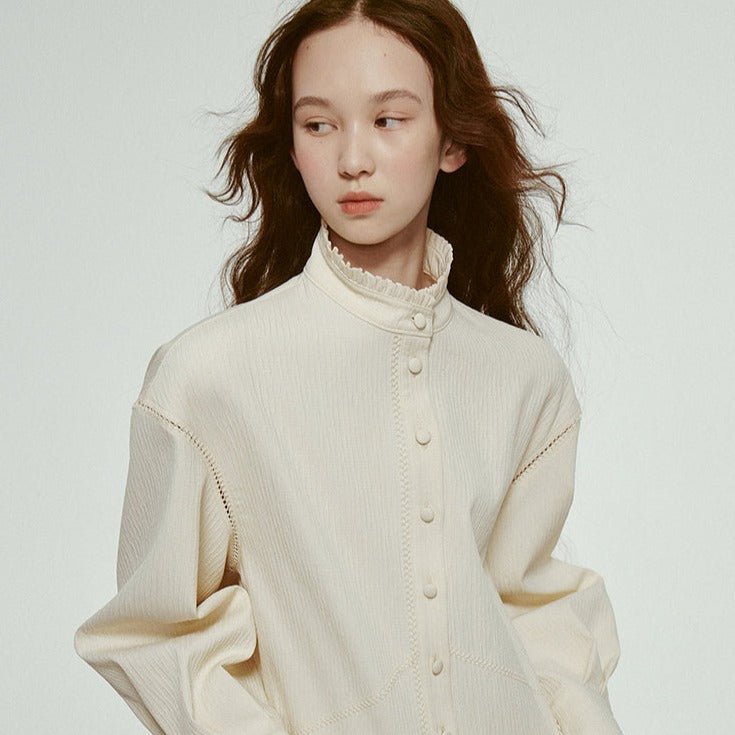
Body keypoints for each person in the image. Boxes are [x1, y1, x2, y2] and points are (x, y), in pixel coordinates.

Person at [74, 2, 624, 734]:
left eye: (388, 119)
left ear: (451, 141)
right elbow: (154, 632)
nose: (351, 159)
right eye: (318, 125)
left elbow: (540, 620)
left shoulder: (524, 376)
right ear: (292, 146)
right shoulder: (207, 378)